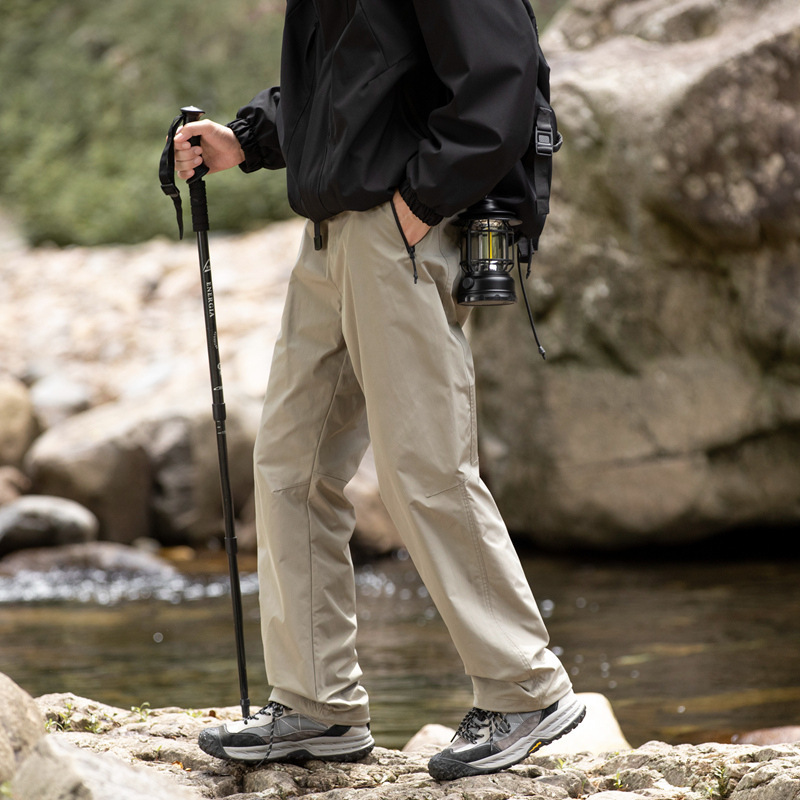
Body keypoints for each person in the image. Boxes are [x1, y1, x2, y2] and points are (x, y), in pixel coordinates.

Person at [173, 0, 585, 781]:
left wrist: (416, 207)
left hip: (398, 234)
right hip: (333, 237)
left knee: (423, 465)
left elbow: (500, 79)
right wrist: (250, 138)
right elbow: (348, 86)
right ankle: (316, 703)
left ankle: (524, 688)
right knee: (289, 465)